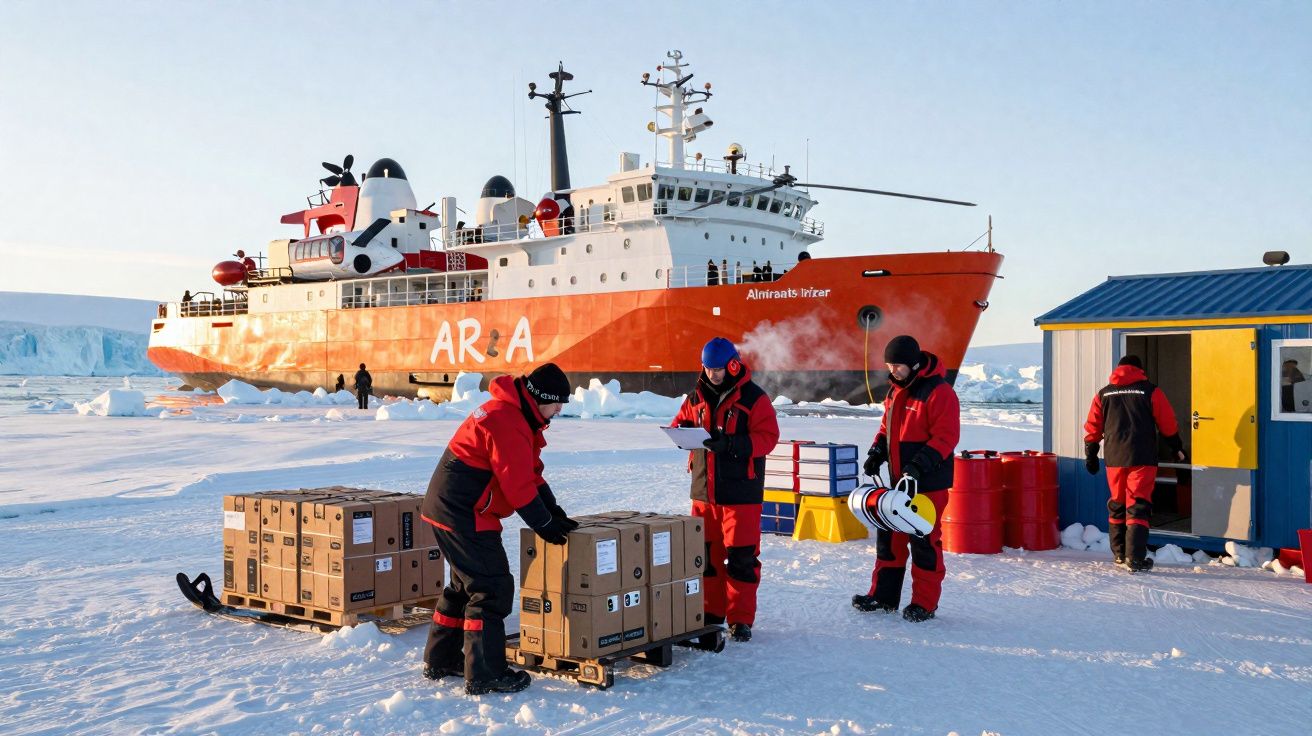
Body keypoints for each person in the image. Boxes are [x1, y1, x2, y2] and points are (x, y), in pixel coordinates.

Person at [419, 363, 577, 695]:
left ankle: (442, 658)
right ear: (541, 398)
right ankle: (485, 673)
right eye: (558, 402)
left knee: (465, 586)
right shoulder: (507, 422)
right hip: (462, 512)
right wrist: (544, 525)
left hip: (453, 508)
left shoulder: (516, 416)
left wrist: (554, 511)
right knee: (491, 587)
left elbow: (530, 473)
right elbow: (518, 486)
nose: (560, 409)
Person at [670, 337, 780, 642]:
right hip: (704, 493)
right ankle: (711, 614)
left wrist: (730, 444)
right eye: (708, 368)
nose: (713, 374)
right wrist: (679, 434)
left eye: (718, 369)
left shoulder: (754, 398)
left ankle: (740, 619)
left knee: (742, 559)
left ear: (733, 365)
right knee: (705, 558)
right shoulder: (695, 397)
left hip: (740, 496)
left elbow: (768, 438)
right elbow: (679, 422)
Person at [852, 335, 960, 622]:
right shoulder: (895, 391)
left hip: (929, 484)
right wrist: (877, 451)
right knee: (889, 539)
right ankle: (883, 597)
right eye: (889, 364)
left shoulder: (939, 392)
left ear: (913, 363)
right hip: (899, 481)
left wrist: (918, 465)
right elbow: (886, 428)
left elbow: (946, 437)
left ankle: (924, 604)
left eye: (897, 365)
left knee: (924, 543)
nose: (892, 370)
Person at [1083, 355, 1186, 572]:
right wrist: (1176, 446)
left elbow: (1093, 426)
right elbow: (1167, 422)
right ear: (1139, 370)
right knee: (1138, 504)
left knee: (1118, 502)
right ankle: (1136, 558)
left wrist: (1091, 453)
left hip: (1115, 458)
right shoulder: (1150, 391)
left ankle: (1119, 554)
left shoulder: (1104, 393)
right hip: (1142, 458)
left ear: (1118, 369)